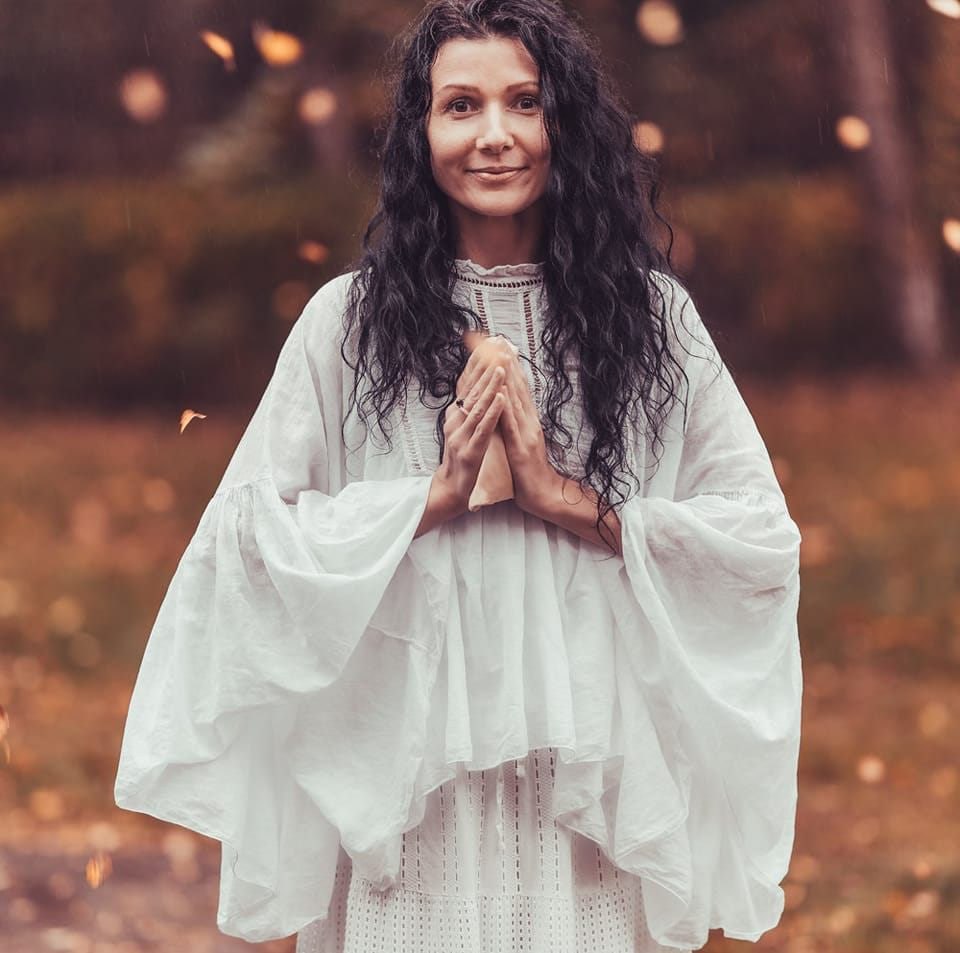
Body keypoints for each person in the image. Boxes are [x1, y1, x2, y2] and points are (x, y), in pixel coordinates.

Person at [114, 1, 803, 951]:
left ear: (565, 123)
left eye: (525, 102)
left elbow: (758, 542)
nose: (494, 136)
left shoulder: (654, 322)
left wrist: (572, 503)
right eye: (460, 106)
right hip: (411, 776)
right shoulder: (346, 325)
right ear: (420, 131)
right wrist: (424, 502)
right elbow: (246, 544)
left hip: (585, 778)